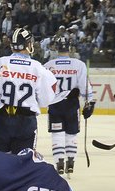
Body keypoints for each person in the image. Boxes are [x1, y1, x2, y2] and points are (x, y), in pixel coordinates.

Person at [0, 28, 65, 154]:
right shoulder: (38, 68)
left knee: (0, 164)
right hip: (26, 122)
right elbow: (45, 100)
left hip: (2, 120)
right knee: (23, 165)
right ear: (29, 45)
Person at [43, 36, 95, 176]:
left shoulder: (48, 65)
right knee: (71, 134)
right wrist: (89, 103)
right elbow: (85, 86)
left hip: (55, 104)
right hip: (72, 104)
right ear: (70, 48)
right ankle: (70, 163)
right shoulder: (78, 64)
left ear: (55, 48)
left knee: (57, 134)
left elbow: (43, 88)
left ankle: (59, 163)